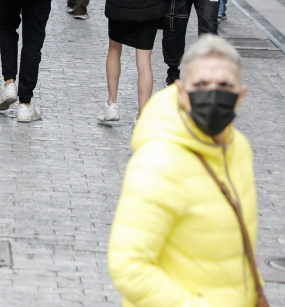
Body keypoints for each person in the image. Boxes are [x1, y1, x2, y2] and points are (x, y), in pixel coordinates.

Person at [108, 35, 264, 307]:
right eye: (201, 84)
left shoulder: (239, 149)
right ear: (181, 92)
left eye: (224, 85)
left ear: (241, 96)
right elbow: (129, 267)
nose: (213, 94)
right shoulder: (158, 162)